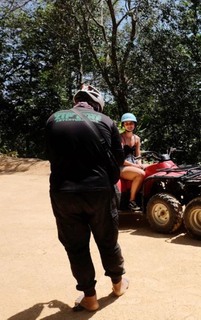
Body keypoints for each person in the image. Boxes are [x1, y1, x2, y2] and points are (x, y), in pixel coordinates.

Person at [45, 84, 129, 312]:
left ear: (76, 101)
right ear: (97, 103)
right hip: (99, 191)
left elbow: (51, 155)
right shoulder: (107, 121)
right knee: (107, 242)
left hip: (64, 193)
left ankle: (89, 298)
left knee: (76, 247)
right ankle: (118, 285)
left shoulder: (53, 119)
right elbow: (119, 161)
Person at [119, 112, 145, 211]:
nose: (129, 126)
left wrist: (140, 164)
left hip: (132, 164)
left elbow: (138, 155)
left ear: (134, 124)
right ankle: (132, 201)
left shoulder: (137, 138)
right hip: (122, 166)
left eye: (131, 123)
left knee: (151, 169)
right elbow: (120, 160)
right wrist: (136, 167)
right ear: (123, 125)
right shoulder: (120, 138)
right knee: (140, 173)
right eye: (127, 123)